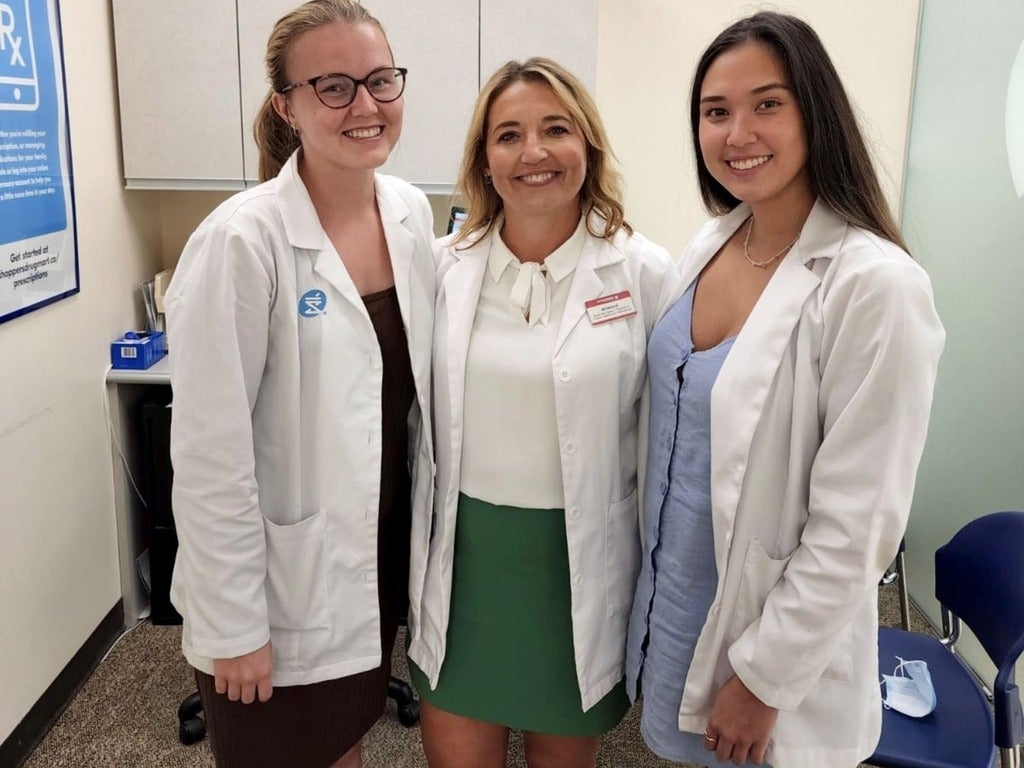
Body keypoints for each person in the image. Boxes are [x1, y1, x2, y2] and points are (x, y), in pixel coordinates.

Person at [624, 11, 945, 768]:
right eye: (715, 111)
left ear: (814, 111)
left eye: (767, 103)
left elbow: (858, 526)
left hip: (768, 652)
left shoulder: (875, 286)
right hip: (676, 609)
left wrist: (765, 680)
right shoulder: (712, 243)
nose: (739, 132)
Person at [163, 1, 435, 766]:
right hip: (274, 596)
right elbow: (212, 456)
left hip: (368, 563)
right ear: (287, 104)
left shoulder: (411, 214)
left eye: (381, 80)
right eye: (334, 86)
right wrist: (234, 626)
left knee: (344, 744)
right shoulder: (240, 241)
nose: (367, 105)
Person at [405, 58, 673, 768]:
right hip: (465, 571)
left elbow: (671, 441)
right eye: (508, 135)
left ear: (587, 146)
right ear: (483, 161)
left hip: (575, 572)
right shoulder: (441, 268)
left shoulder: (646, 273)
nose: (533, 153)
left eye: (555, 129)